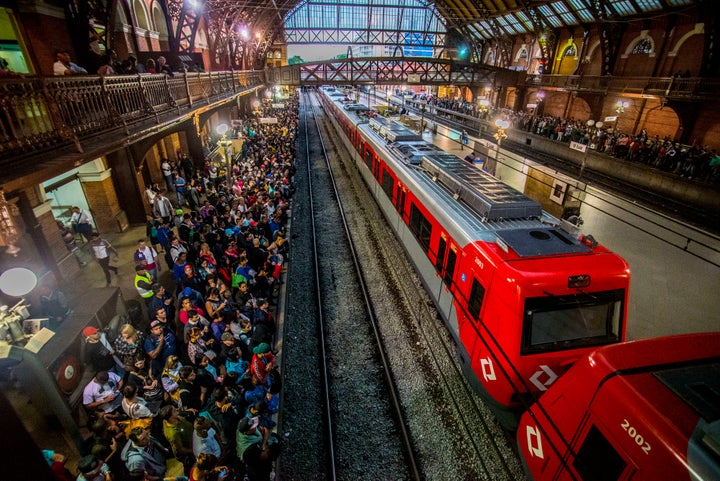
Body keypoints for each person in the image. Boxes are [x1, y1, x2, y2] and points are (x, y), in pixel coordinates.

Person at [235, 416, 280, 481]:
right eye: (253, 427)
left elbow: (265, 429)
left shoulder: (241, 431)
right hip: (257, 469)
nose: (256, 427)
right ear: (246, 432)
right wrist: (265, 446)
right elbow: (265, 456)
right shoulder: (249, 450)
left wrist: (264, 443)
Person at [159, 405, 195, 472]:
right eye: (174, 411)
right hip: (188, 453)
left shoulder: (168, 420)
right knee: (190, 467)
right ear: (170, 417)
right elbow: (181, 450)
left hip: (192, 441)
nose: (177, 409)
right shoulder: (173, 434)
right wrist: (194, 451)